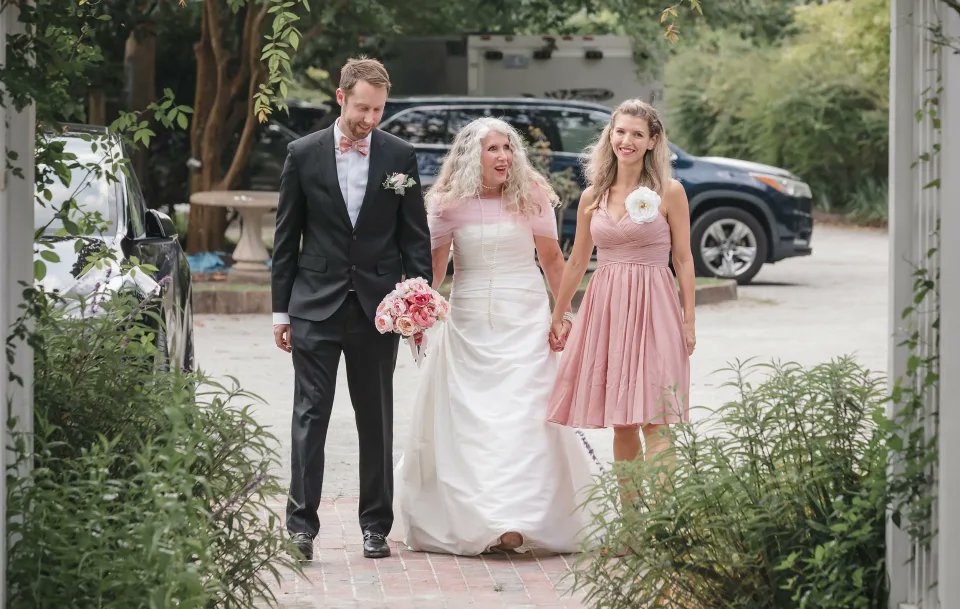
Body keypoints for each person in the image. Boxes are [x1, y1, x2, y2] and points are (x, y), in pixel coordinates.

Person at [393, 117, 593, 555]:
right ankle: (484, 518)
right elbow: (436, 271)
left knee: (525, 419)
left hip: (524, 319)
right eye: (493, 149)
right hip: (469, 324)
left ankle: (522, 520)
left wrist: (564, 316)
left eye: (508, 148)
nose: (504, 156)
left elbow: (554, 261)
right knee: (475, 424)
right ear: (471, 157)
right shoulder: (447, 204)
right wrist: (416, 306)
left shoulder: (532, 195)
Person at [271, 57, 433, 561]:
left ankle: (375, 526)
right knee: (310, 415)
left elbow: (415, 238)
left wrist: (416, 303)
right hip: (314, 305)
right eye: (362, 107)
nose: (369, 118)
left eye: (378, 109)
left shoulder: (400, 155)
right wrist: (281, 312)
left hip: (378, 308)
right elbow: (285, 239)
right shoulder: (303, 153)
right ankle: (301, 525)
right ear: (340, 98)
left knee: (375, 418)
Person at [547, 99, 695, 472]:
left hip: (654, 307)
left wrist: (689, 320)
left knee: (657, 420)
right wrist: (560, 312)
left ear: (653, 141)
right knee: (623, 423)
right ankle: (632, 527)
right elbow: (578, 260)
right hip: (608, 308)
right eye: (620, 131)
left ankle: (665, 526)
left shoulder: (670, 192)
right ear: (610, 135)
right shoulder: (592, 196)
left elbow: (683, 259)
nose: (626, 140)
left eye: (637, 134)